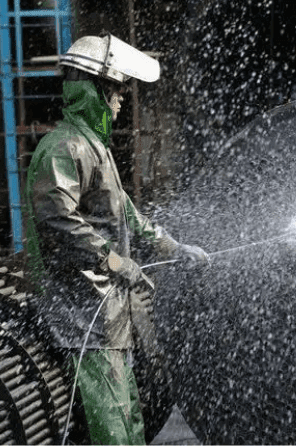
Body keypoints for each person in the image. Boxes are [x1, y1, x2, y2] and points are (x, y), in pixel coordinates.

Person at [24, 32, 209, 445]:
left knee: (129, 421)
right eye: (116, 90)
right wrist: (114, 261)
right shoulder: (64, 148)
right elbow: (57, 221)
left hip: (107, 316)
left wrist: (173, 247)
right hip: (80, 316)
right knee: (111, 425)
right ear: (93, 90)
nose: (122, 99)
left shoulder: (96, 149)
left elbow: (129, 216)